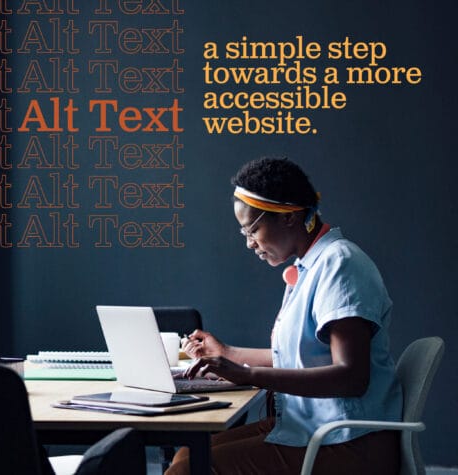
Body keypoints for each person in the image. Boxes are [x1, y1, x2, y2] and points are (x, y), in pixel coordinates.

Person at [165, 157, 403, 475]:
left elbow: (351, 378)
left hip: (349, 444)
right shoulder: (309, 268)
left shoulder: (339, 264)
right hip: (313, 429)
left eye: (253, 229)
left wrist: (248, 375)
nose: (250, 243)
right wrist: (226, 354)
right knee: (185, 457)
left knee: (189, 468)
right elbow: (299, 358)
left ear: (289, 217)